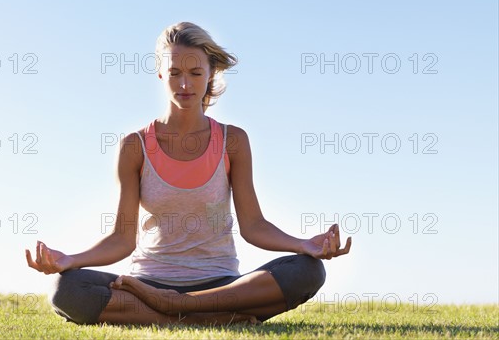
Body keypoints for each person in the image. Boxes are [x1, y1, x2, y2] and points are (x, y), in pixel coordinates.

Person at [25, 21, 352, 326]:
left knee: (307, 270)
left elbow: (253, 226)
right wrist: (70, 258)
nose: (184, 84)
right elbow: (122, 239)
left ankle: (176, 309)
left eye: (196, 73)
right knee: (67, 289)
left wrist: (303, 244)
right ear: (159, 74)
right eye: (174, 72)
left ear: (210, 74)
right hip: (148, 281)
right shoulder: (134, 146)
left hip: (220, 283)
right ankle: (208, 316)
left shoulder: (233, 141)